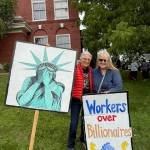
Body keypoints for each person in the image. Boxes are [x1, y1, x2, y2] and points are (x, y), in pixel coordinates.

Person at [67, 51, 93, 150]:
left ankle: (83, 139)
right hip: (76, 100)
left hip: (88, 99)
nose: (86, 61)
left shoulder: (91, 70)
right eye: (84, 59)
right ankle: (70, 145)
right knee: (74, 123)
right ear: (80, 59)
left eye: (88, 59)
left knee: (85, 121)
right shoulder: (74, 69)